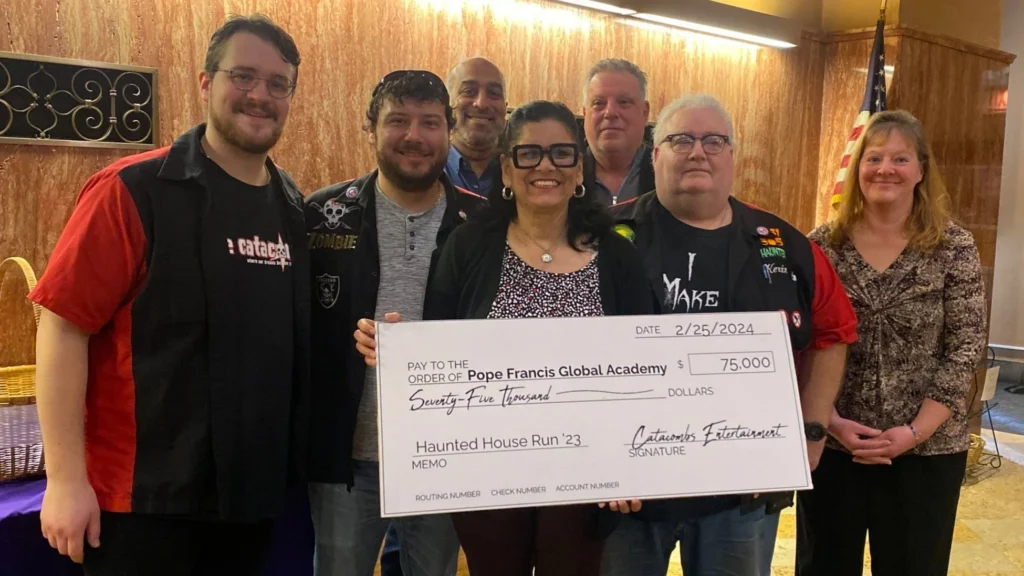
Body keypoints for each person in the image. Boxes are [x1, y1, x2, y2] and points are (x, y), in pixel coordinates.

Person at [29, 14, 309, 575]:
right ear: (206, 82)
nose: (260, 95)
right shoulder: (133, 190)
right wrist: (64, 481)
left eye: (278, 84)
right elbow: (62, 327)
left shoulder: (292, 206)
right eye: (243, 76)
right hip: (142, 506)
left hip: (249, 501)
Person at [354, 100, 653, 576]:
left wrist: (635, 461)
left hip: (587, 476)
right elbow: (438, 348)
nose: (546, 166)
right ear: (507, 171)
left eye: (561, 153)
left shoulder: (618, 256)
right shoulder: (469, 245)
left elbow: (646, 367)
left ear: (580, 169)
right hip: (487, 475)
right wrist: (397, 350)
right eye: (529, 154)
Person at [600, 94, 858, 576]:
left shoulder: (785, 243)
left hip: (742, 492)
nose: (698, 152)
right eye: (681, 140)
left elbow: (834, 332)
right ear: (654, 155)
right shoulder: (602, 237)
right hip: (628, 491)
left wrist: (810, 435)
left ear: (733, 156)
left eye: (714, 141)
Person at [304, 69, 486, 576]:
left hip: (445, 454)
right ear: (371, 128)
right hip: (346, 454)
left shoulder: (485, 224)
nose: (414, 136)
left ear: (449, 131)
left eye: (430, 122)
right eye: (398, 120)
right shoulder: (321, 215)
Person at [798, 110, 987, 576]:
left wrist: (913, 433)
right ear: (857, 168)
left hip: (927, 451)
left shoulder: (954, 247)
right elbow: (800, 343)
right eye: (874, 157)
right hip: (835, 448)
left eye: (900, 158)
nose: (885, 169)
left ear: (921, 169)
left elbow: (965, 348)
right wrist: (831, 423)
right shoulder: (821, 245)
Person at [581, 58, 655, 206]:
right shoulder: (564, 176)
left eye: (624, 102)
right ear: (585, 114)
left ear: (644, 112)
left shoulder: (669, 176)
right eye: (598, 103)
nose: (610, 112)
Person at [444, 56, 507, 195]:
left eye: (494, 93)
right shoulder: (427, 170)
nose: (481, 104)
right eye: (469, 91)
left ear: (505, 108)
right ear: (448, 105)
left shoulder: (520, 173)